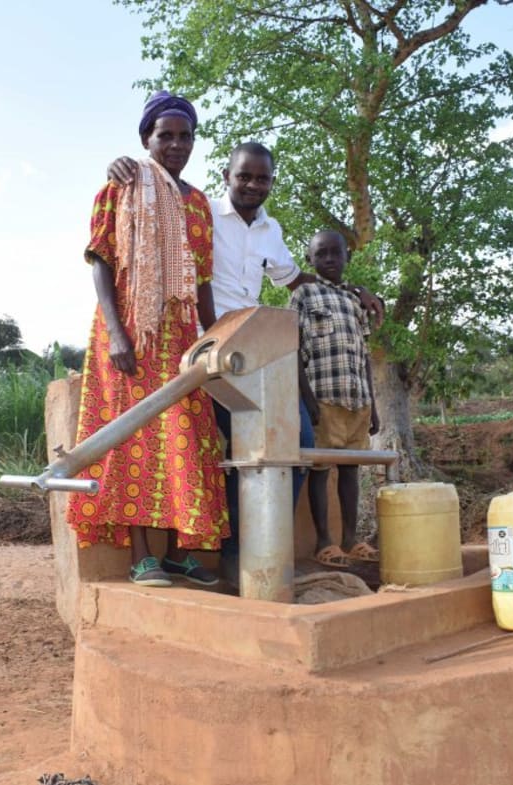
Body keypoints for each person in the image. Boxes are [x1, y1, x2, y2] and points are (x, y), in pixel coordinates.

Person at [109, 143, 383, 583]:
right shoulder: (199, 210)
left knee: (296, 445)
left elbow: (296, 278)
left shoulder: (271, 231)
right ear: (226, 175)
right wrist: (119, 167)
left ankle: (251, 545)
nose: (254, 186)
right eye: (245, 177)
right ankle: (233, 556)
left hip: (253, 349)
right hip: (203, 349)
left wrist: (355, 291)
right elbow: (154, 191)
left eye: (263, 179)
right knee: (235, 448)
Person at [67, 90, 228, 588]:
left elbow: (201, 280)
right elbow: (101, 261)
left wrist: (215, 339)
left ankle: (179, 551)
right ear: (146, 139)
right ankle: (141, 557)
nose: (177, 145)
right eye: (166, 136)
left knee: (187, 439)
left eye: (186, 136)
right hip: (131, 332)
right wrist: (118, 334)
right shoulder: (121, 186)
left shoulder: (199, 204)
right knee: (133, 439)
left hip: (180, 336)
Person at [292, 229, 380, 567]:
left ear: (348, 257)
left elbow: (365, 355)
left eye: (335, 253)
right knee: (320, 468)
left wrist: (372, 404)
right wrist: (308, 399)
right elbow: (294, 349)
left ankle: (351, 538)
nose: (329, 260)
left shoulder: (356, 300)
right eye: (321, 254)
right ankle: (325, 542)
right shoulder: (304, 295)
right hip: (323, 398)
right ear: (309, 260)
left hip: (357, 400)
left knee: (350, 469)